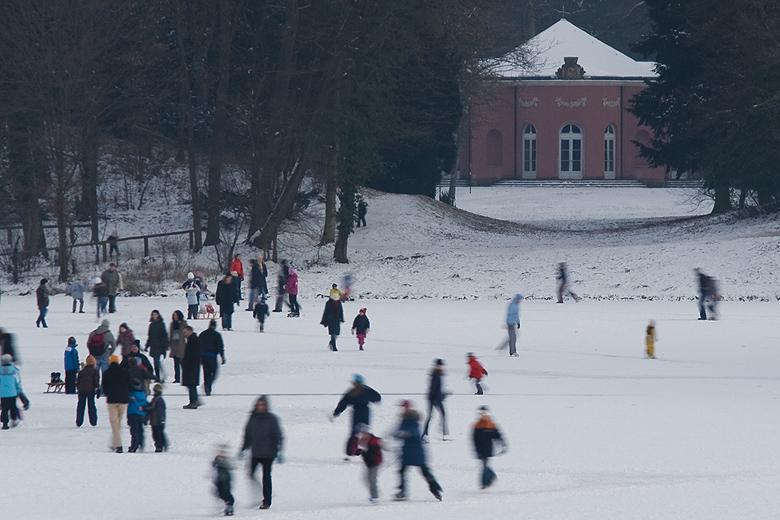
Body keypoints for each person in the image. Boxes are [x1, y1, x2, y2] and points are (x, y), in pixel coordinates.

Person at [239, 395, 284, 510]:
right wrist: (243, 448)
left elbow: (278, 436)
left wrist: (279, 451)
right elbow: (247, 434)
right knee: (250, 474)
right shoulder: (252, 419)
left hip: (268, 453)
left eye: (262, 405)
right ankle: (260, 494)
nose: (260, 407)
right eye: (258, 405)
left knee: (266, 478)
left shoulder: (272, 419)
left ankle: (267, 501)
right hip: (256, 452)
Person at [392, 400, 442, 501]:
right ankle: (402, 492)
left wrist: (404, 433)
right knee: (402, 471)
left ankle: (435, 489)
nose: (402, 409)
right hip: (407, 450)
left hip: (415, 450)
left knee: (424, 471)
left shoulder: (413, 418)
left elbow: (414, 432)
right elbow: (397, 431)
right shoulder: (403, 419)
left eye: (404, 407)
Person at [332, 374, 381, 458]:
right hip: (365, 412)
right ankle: (367, 450)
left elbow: (343, 403)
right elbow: (377, 397)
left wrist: (336, 413)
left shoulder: (351, 392)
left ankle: (349, 452)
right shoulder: (366, 390)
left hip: (356, 413)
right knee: (365, 432)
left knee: (354, 432)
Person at [472, 405, 506, 489]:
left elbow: (497, 435)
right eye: (480, 413)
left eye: (484, 413)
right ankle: (489, 478)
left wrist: (502, 444)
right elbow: (474, 439)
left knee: (484, 466)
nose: (482, 415)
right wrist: (476, 449)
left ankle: (485, 482)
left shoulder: (490, 424)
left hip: (488, 448)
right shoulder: (477, 425)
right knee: (484, 465)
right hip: (480, 449)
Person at [102, 355, 131, 452]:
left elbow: (104, 387)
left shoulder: (106, 373)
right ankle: (114, 443)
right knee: (118, 423)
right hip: (123, 400)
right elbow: (130, 385)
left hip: (112, 401)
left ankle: (118, 446)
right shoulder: (124, 372)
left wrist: (108, 394)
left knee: (114, 423)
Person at [355, 423, 383, 503]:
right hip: (369, 463)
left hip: (374, 463)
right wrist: (360, 451)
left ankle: (375, 497)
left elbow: (372, 452)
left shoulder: (372, 441)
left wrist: (365, 453)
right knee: (365, 479)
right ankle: (375, 493)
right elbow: (363, 450)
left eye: (362, 433)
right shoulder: (363, 440)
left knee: (371, 480)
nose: (361, 435)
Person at [422, 359, 448, 442]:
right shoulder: (435, 374)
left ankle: (441, 434)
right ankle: (425, 435)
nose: (440, 366)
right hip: (433, 398)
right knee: (432, 416)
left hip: (435, 397)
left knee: (440, 415)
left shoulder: (438, 373)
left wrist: (442, 395)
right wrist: (438, 397)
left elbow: (437, 388)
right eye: (439, 365)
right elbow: (433, 388)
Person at [200, 320, 226, 396]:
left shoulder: (202, 334)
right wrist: (222, 356)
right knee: (214, 373)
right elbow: (220, 347)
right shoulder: (217, 335)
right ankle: (208, 385)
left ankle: (207, 387)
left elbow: (198, 345)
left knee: (206, 373)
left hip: (203, 356)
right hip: (212, 356)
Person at [76, 355, 100, 427]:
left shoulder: (82, 372)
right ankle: (93, 421)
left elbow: (78, 381)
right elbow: (96, 381)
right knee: (91, 405)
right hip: (90, 390)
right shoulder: (95, 372)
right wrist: (97, 389)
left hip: (81, 390)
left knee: (80, 405)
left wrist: (78, 388)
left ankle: (79, 421)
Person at [144, 310, 169, 382]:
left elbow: (164, 335)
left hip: (160, 346)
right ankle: (159, 375)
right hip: (153, 345)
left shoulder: (161, 324)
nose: (154, 316)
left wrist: (165, 345)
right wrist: (147, 345)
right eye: (153, 315)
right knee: (156, 362)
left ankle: (158, 376)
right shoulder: (151, 325)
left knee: (156, 361)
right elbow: (150, 336)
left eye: (156, 314)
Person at [0, 353, 23, 430]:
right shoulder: (14, 370)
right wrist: (19, 390)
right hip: (13, 392)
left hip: (3, 393)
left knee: (4, 408)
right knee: (13, 406)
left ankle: (5, 423)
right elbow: (18, 381)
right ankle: (14, 420)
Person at [181, 326, 202, 409]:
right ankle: (194, 400)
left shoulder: (193, 340)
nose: (184, 335)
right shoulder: (192, 340)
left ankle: (194, 401)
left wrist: (186, 362)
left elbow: (192, 354)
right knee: (190, 384)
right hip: (191, 365)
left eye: (185, 332)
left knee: (191, 384)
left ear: (190, 331)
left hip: (191, 366)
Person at [143, 383, 167, 452]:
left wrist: (144, 408)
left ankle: (159, 446)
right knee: (160, 433)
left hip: (156, 421)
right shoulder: (159, 399)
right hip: (160, 420)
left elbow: (152, 407)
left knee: (156, 434)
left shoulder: (157, 400)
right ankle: (163, 444)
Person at [127, 378, 148, 452]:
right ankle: (141, 443)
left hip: (132, 413)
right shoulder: (143, 393)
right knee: (140, 429)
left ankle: (134, 445)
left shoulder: (131, 393)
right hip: (141, 413)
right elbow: (146, 403)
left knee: (134, 430)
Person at [213, 444, 235, 516]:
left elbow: (230, 467)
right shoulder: (218, 459)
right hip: (219, 479)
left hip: (225, 480)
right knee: (219, 493)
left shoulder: (226, 461)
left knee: (225, 492)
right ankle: (228, 504)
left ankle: (229, 505)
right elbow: (214, 465)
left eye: (223, 452)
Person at [169, 310, 188, 383]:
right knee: (176, 363)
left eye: (176, 315)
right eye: (174, 315)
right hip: (174, 345)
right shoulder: (172, 324)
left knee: (182, 363)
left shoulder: (183, 324)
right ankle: (177, 378)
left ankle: (185, 377)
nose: (175, 317)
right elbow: (170, 334)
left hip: (181, 345)